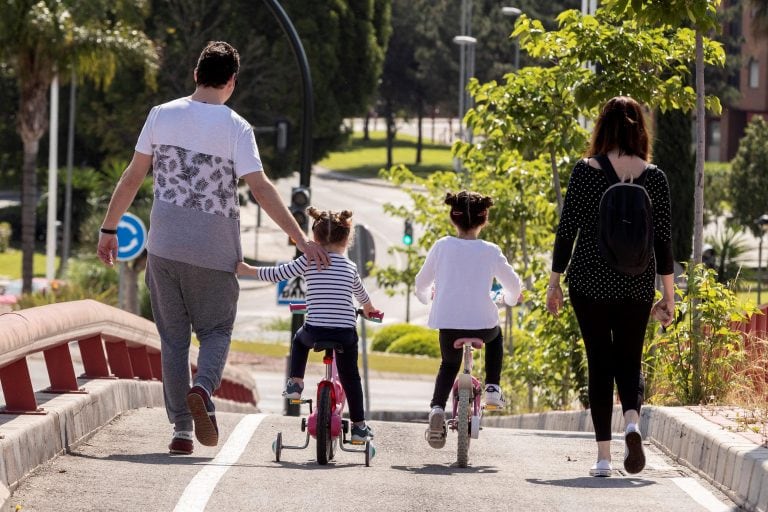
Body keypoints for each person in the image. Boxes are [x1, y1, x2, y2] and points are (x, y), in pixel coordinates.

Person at [96, 41, 328, 456]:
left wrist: (109, 228)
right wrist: (301, 240)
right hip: (215, 248)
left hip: (164, 245)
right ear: (232, 82)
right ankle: (202, 389)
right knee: (216, 330)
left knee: (173, 339)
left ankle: (181, 432)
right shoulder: (236, 127)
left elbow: (133, 176)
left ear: (195, 74)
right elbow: (260, 188)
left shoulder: (160, 115)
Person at [545, 96, 675, 477]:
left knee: (599, 363)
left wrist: (554, 283)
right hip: (636, 283)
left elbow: (566, 231)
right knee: (630, 359)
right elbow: (664, 242)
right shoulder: (656, 176)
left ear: (602, 127)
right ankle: (632, 422)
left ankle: (603, 458)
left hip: (588, 281)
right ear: (640, 130)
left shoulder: (584, 171)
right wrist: (668, 295)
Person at [237, 207, 379, 443]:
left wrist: (248, 270)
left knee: (299, 340)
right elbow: (363, 298)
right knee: (351, 378)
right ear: (347, 239)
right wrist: (369, 310)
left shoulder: (308, 260)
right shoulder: (351, 268)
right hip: (344, 334)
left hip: (314, 331)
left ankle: (295, 383)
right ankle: (359, 427)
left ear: (314, 239)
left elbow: (278, 274)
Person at [415, 191, 523, 449]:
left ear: (453, 219)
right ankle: (493, 388)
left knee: (447, 365)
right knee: (497, 337)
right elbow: (514, 285)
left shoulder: (442, 246)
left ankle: (437, 409)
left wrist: (426, 298)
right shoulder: (490, 251)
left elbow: (421, 283)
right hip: (482, 327)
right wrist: (509, 299)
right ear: (484, 220)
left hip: (449, 326)